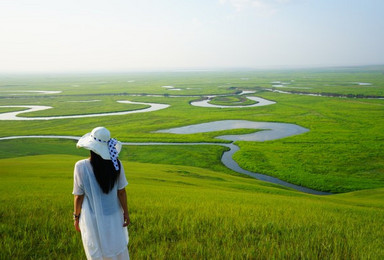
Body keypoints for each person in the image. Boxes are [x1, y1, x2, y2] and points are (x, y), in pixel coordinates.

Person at [72, 126, 130, 260]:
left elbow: (78, 197)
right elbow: (121, 192)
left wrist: (76, 217)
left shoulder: (80, 166)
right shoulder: (117, 164)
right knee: (115, 248)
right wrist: (126, 213)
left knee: (97, 251)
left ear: (92, 147)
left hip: (92, 218)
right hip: (114, 215)